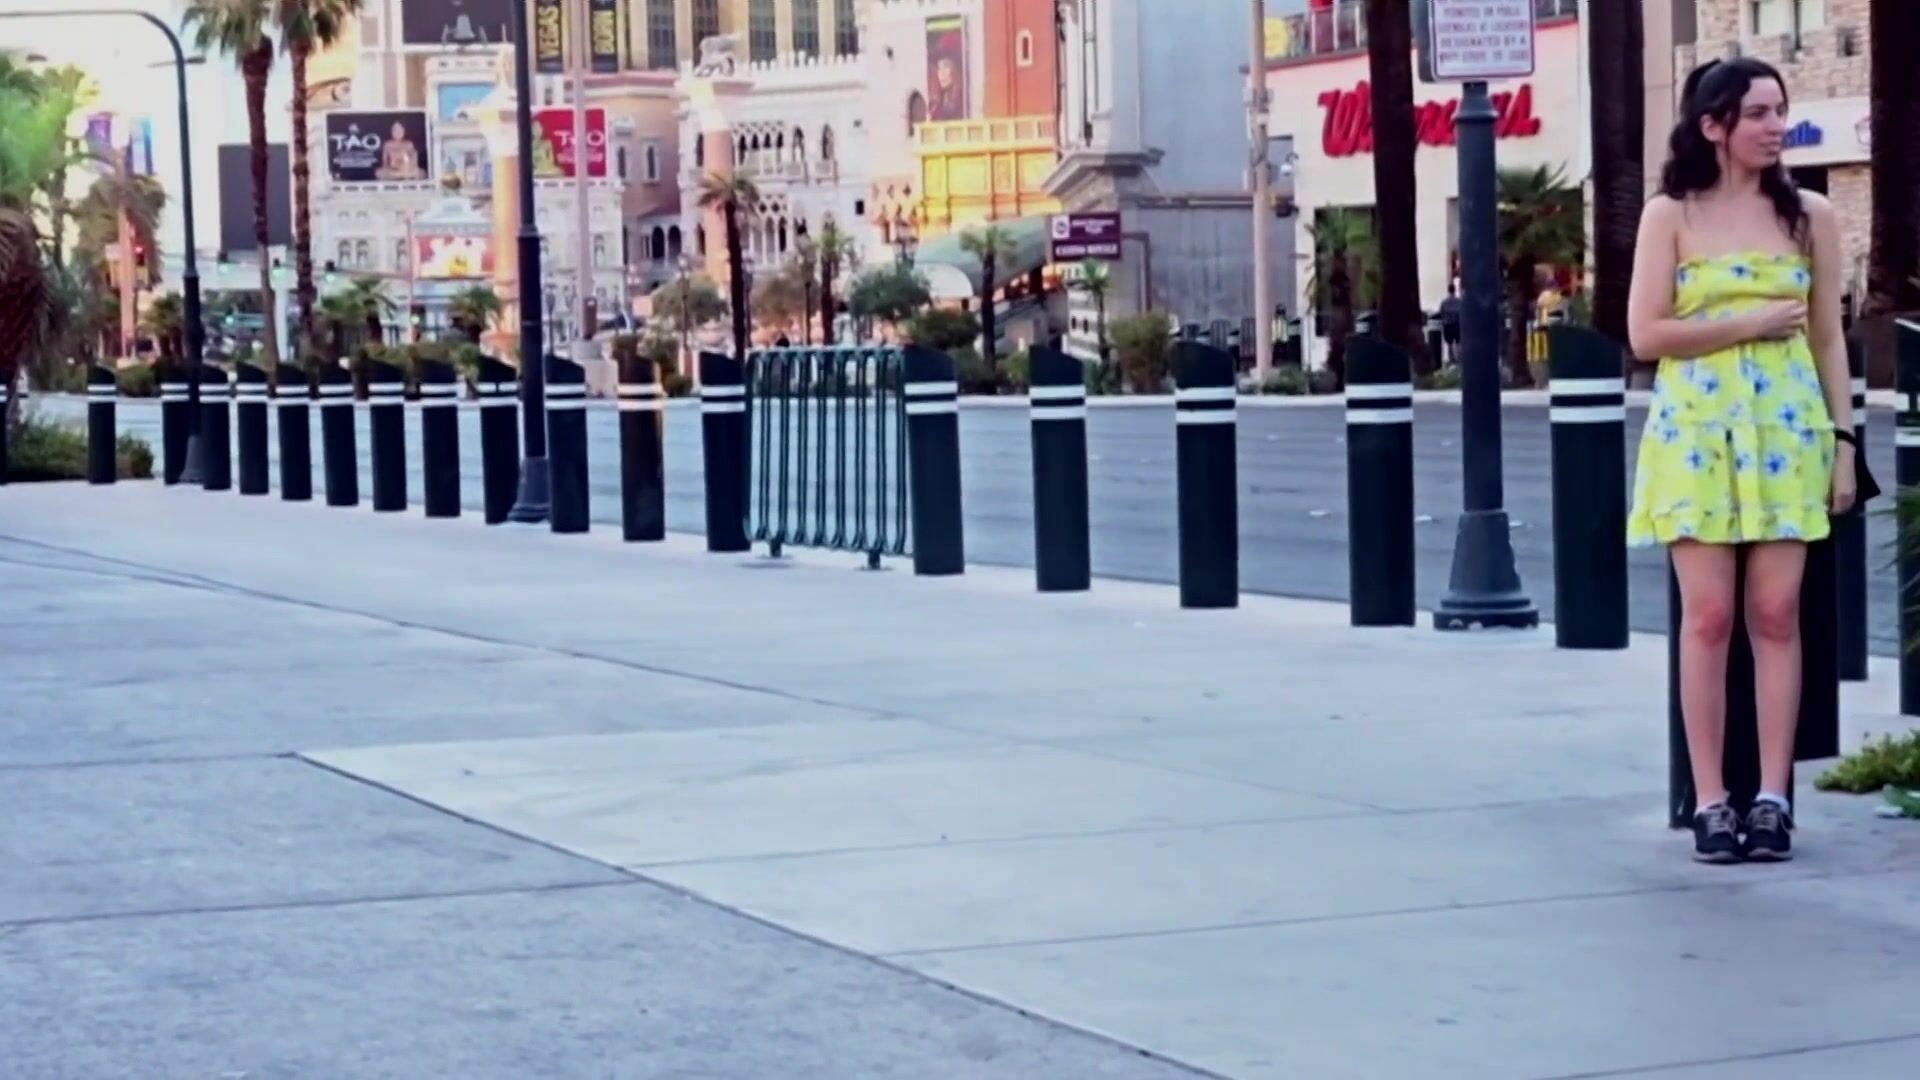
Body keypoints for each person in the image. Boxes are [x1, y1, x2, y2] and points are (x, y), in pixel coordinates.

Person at [1626, 57, 1854, 863]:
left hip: (1787, 431)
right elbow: (1646, 334)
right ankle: (1711, 801)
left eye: (1780, 110)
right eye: (1757, 112)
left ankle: (1773, 798)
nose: (1774, 126)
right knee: (1709, 617)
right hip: (1695, 431)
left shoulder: (1811, 216)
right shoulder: (1670, 215)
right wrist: (1748, 323)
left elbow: (1827, 338)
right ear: (1713, 126)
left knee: (1777, 614)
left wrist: (1843, 443)